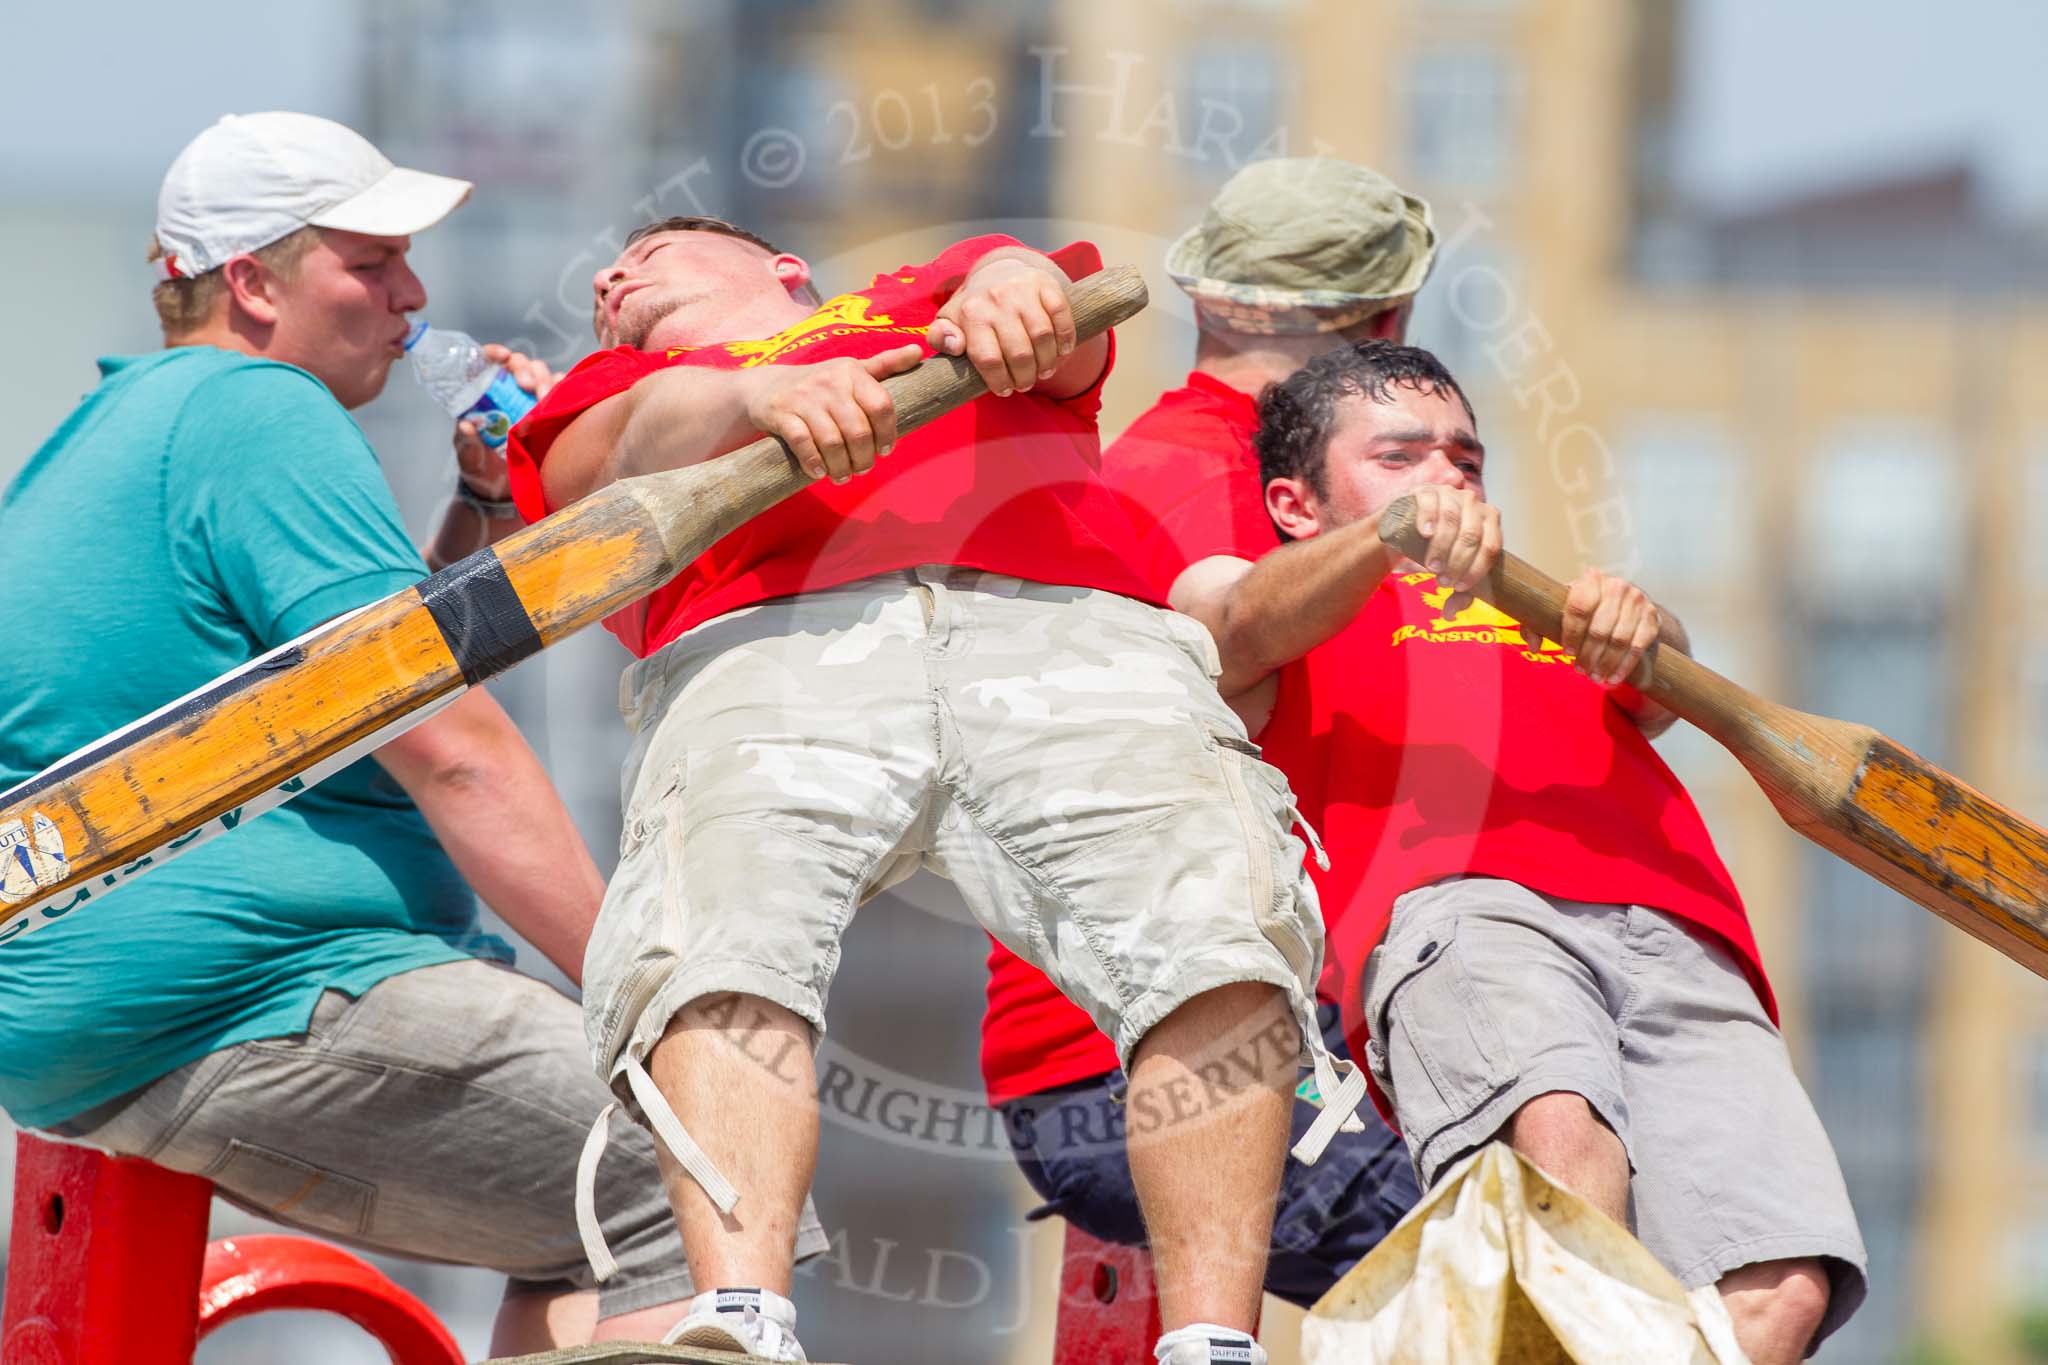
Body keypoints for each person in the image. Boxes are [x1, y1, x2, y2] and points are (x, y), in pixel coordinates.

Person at [0, 113, 829, 1352]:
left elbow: (368, 685)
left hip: (119, 1004)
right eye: (369, 263)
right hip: (245, 989)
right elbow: (451, 745)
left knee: (587, 1221)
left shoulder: (127, 426)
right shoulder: (256, 409)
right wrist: (648, 996)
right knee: (718, 1157)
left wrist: (485, 500)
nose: (413, 294)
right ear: (251, 283)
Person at [507, 215, 1362, 1364]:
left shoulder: (923, 292)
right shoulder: (630, 380)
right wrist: (752, 403)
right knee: (716, 929)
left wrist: (1010, 290)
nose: (611, 276)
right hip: (766, 644)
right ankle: (738, 1325)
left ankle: (1212, 1343)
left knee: (1211, 931)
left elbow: (1048, 313)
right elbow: (608, 461)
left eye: (650, 256)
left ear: (782, 269)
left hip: (1059, 622)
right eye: (606, 273)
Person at [1178, 337, 1867, 1363]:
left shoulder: (1537, 606)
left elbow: (1661, 680)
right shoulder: (1262, 591)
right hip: (1459, 908)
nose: (1444, 478)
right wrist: (1391, 537)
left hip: (1679, 923)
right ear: (1294, 503)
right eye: (1398, 457)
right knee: (1558, 1175)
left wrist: (1648, 625)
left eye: (1462, 458)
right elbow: (1228, 625)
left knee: (1777, 1289)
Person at [982, 157, 1434, 1305]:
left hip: (1128, 1056)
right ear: (1390, 326)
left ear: (1201, 302)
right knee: (1532, 1296)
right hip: (1159, 1064)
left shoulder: (1158, 469)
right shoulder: (1219, 488)